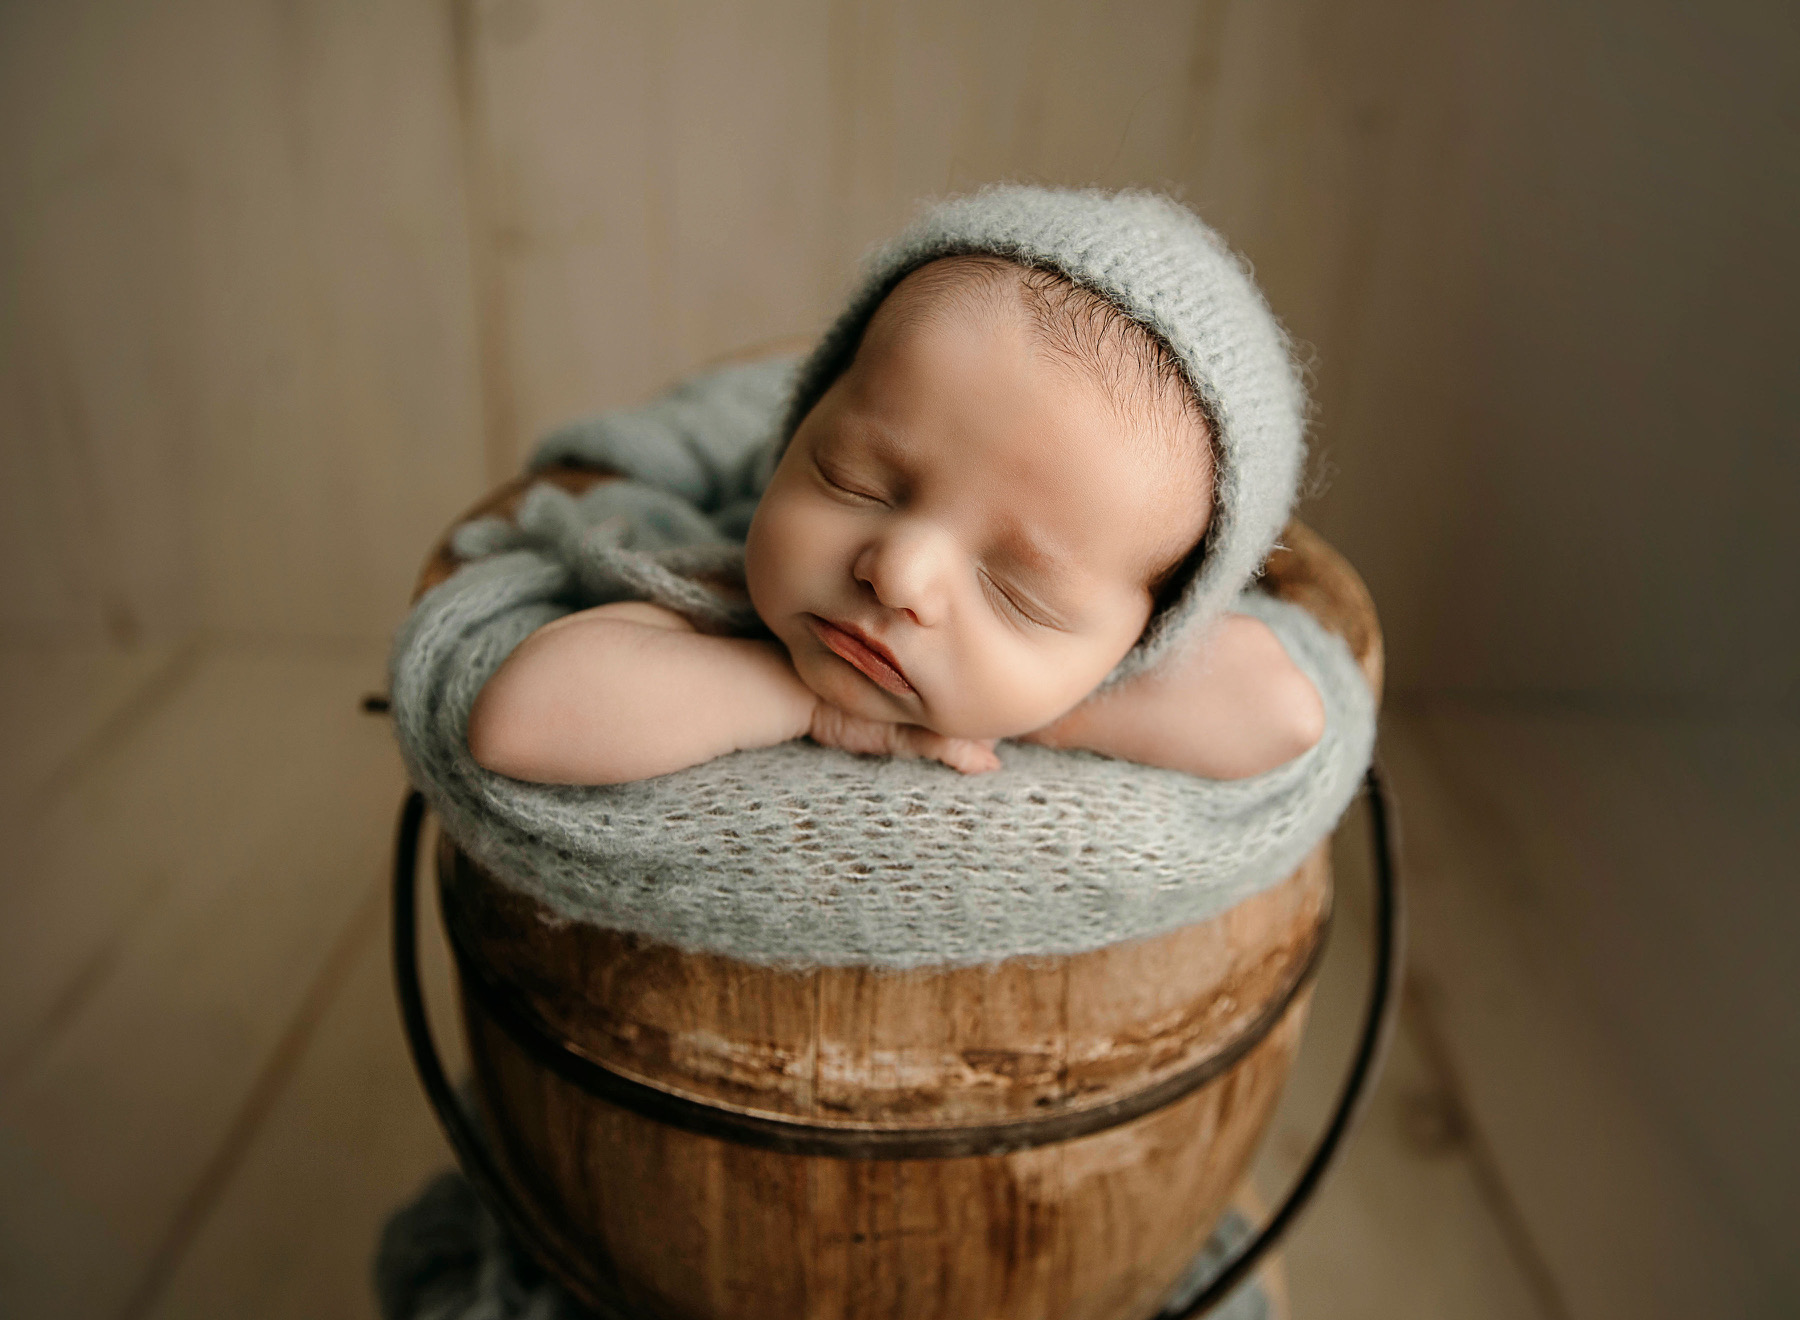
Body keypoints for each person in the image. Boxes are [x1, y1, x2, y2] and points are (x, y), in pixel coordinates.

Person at [465, 189, 1325, 786]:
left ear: (1143, 637)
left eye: (1018, 592)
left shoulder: (1090, 678)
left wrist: (1042, 710)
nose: (899, 574)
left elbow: (1285, 715)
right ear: (798, 429)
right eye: (856, 480)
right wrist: (800, 702)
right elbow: (518, 722)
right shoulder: (715, 594)